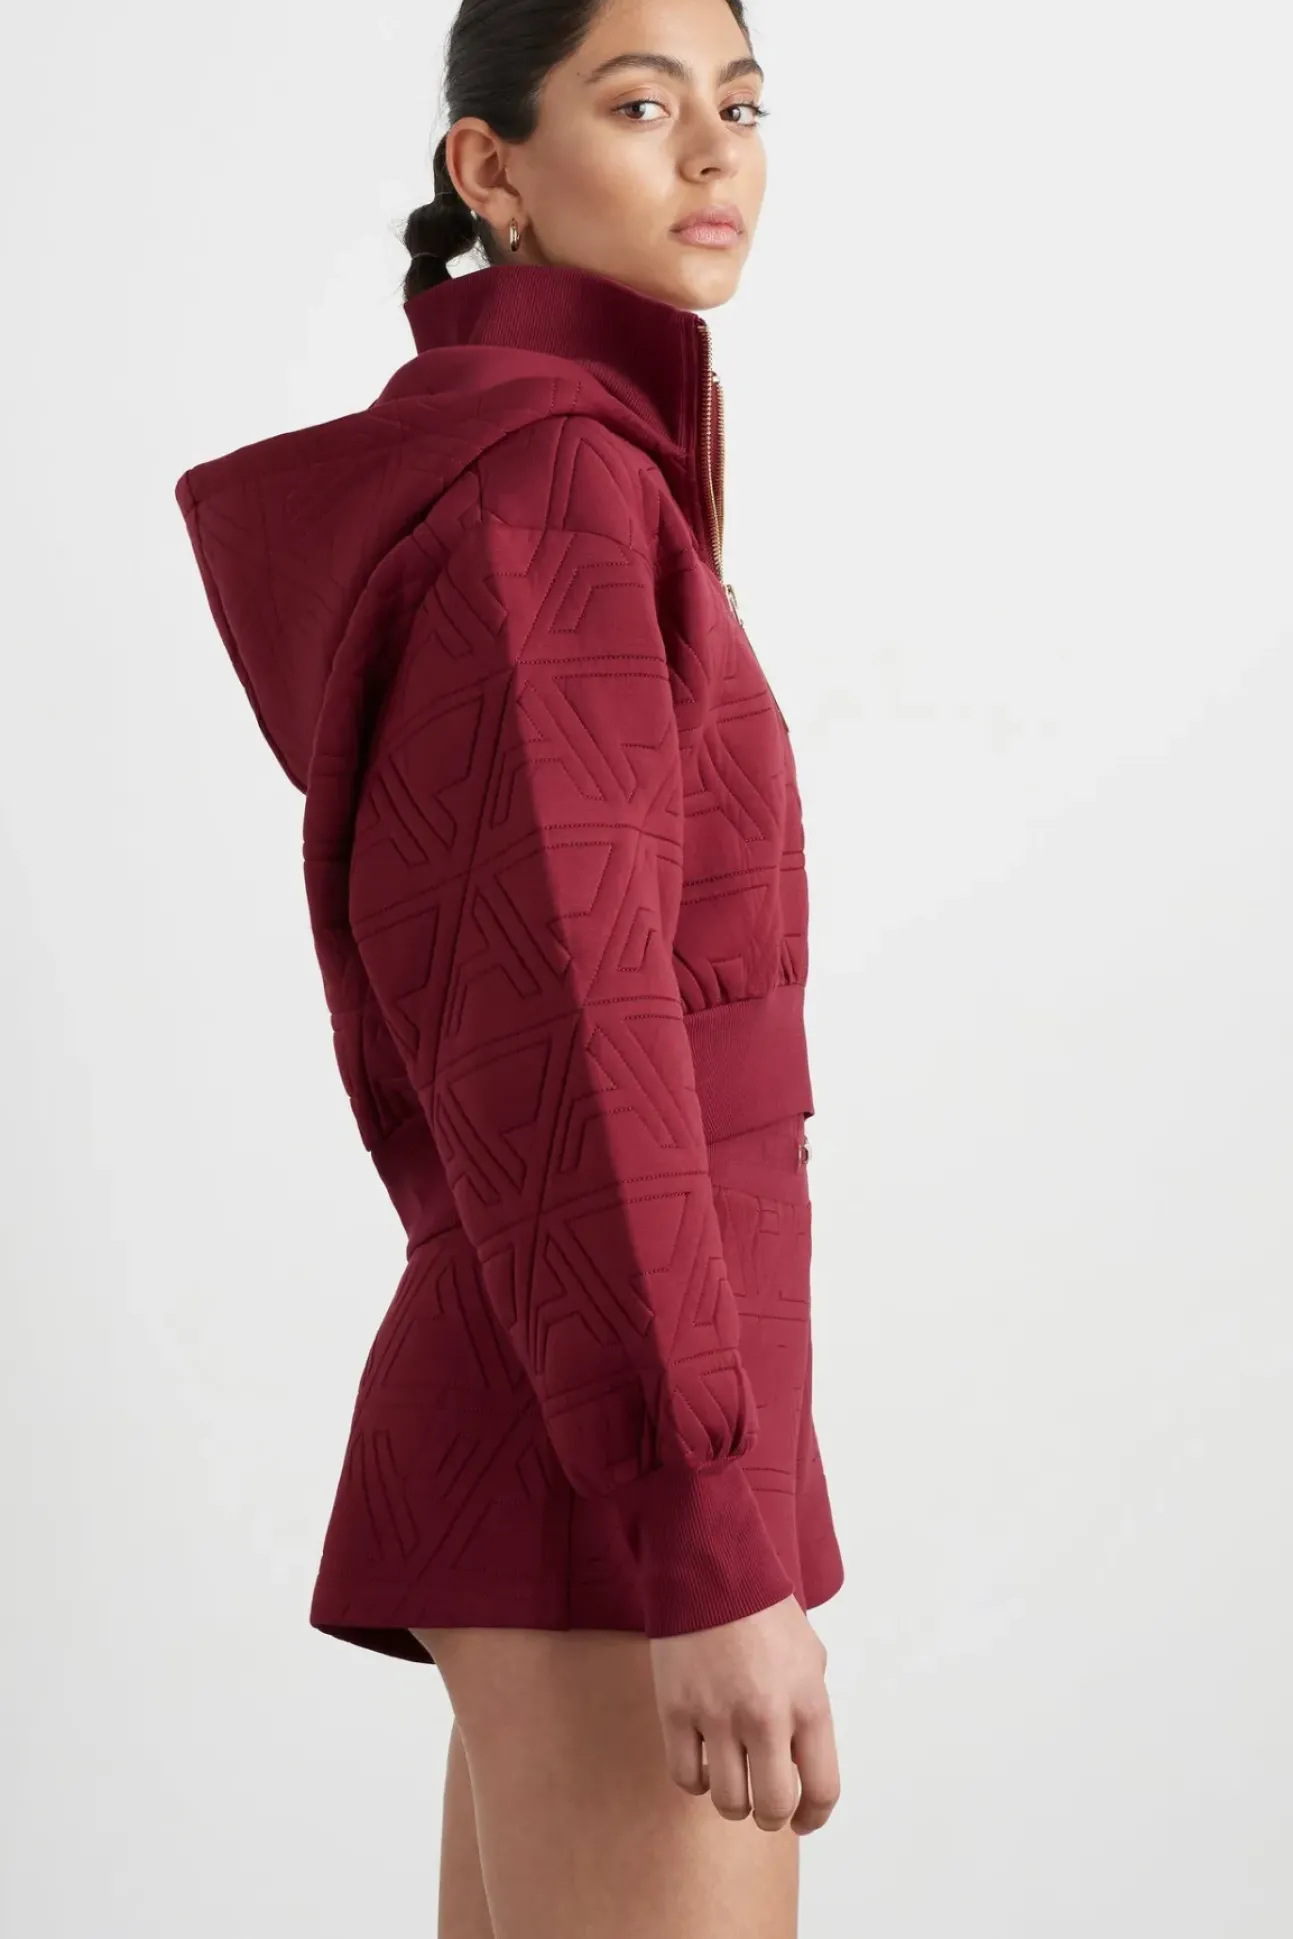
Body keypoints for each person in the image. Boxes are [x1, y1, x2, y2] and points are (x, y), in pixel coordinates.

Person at [173, 1, 845, 1932]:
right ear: (493, 170)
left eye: (741, 105)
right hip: (610, 1438)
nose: (713, 152)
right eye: (639, 104)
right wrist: (702, 1541)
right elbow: (572, 1033)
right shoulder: (548, 494)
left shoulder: (589, 476)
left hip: (612, 1393)